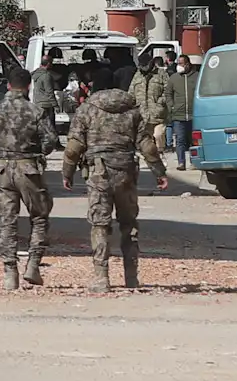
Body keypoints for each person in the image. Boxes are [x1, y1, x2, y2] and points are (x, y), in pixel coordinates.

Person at [64, 80, 167, 291]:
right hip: (126, 172)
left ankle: (101, 277)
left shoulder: (86, 110)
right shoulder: (132, 111)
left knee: (100, 224)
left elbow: (74, 147)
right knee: (129, 224)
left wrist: (67, 173)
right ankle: (131, 277)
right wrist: (159, 172)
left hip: (99, 174)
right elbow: (147, 146)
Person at [0, 66, 56, 290]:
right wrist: (36, 152)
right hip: (29, 168)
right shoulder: (36, 111)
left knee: (7, 221)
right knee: (39, 217)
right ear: (28, 86)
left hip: (1, 170)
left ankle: (10, 272)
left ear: (8, 85)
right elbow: (50, 142)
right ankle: (33, 265)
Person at [166, 54, 197, 171]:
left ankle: (194, 162)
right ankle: (181, 162)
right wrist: (171, 106)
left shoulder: (196, 76)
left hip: (194, 115)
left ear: (187, 64)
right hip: (178, 115)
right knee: (180, 140)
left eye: (181, 63)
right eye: (178, 63)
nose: (178, 65)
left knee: (194, 140)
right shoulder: (173, 78)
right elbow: (168, 93)